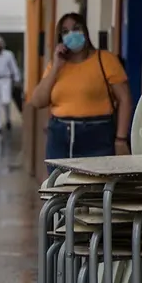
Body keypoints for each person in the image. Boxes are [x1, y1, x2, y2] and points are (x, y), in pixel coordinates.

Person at [30, 13, 133, 171]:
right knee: (60, 190)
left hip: (97, 136)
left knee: (95, 191)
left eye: (76, 28)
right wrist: (57, 66)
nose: (71, 34)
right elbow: (37, 101)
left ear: (85, 31)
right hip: (60, 138)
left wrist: (120, 139)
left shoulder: (105, 60)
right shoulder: (56, 66)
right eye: (65, 31)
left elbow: (125, 99)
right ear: (60, 37)